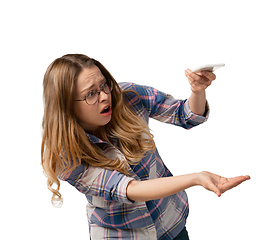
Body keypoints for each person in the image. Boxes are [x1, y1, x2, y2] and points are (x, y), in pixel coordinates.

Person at [41, 54, 250, 240]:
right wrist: (196, 178)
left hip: (170, 223)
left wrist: (197, 91)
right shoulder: (65, 155)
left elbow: (185, 116)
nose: (105, 95)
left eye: (104, 85)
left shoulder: (127, 95)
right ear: (67, 105)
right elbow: (129, 189)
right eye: (90, 94)